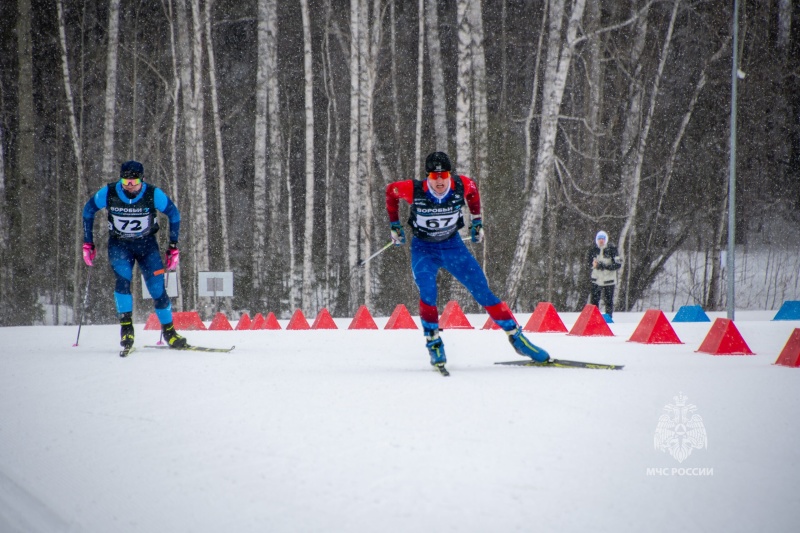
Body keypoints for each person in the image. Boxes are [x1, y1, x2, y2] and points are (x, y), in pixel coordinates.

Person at [385, 151, 550, 370]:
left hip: (453, 247)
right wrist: (394, 225)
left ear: (449, 175)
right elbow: (391, 192)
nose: (440, 181)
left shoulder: (462, 185)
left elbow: (473, 192)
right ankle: (433, 342)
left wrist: (477, 221)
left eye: (444, 175)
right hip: (424, 249)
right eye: (434, 177)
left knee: (483, 291)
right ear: (427, 177)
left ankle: (517, 338)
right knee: (428, 292)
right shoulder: (413, 189)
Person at [82, 160, 188, 351]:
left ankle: (170, 332)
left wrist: (173, 246)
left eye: (134, 181)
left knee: (157, 289)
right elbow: (88, 210)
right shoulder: (109, 192)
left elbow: (174, 214)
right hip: (120, 246)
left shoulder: (153, 193)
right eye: (125, 181)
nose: (130, 185)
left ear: (142, 179)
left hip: (147, 246)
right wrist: (88, 242)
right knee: (123, 281)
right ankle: (126, 329)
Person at [587, 230, 623, 318]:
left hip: (609, 280)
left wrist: (604, 266)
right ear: (596, 240)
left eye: (603, 239)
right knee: (594, 301)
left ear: (606, 239)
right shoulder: (593, 249)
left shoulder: (612, 249)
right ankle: (594, 317)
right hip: (596, 279)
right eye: (599, 239)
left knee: (608, 301)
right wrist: (594, 265)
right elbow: (588, 263)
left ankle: (608, 318)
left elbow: (618, 264)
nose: (601, 241)